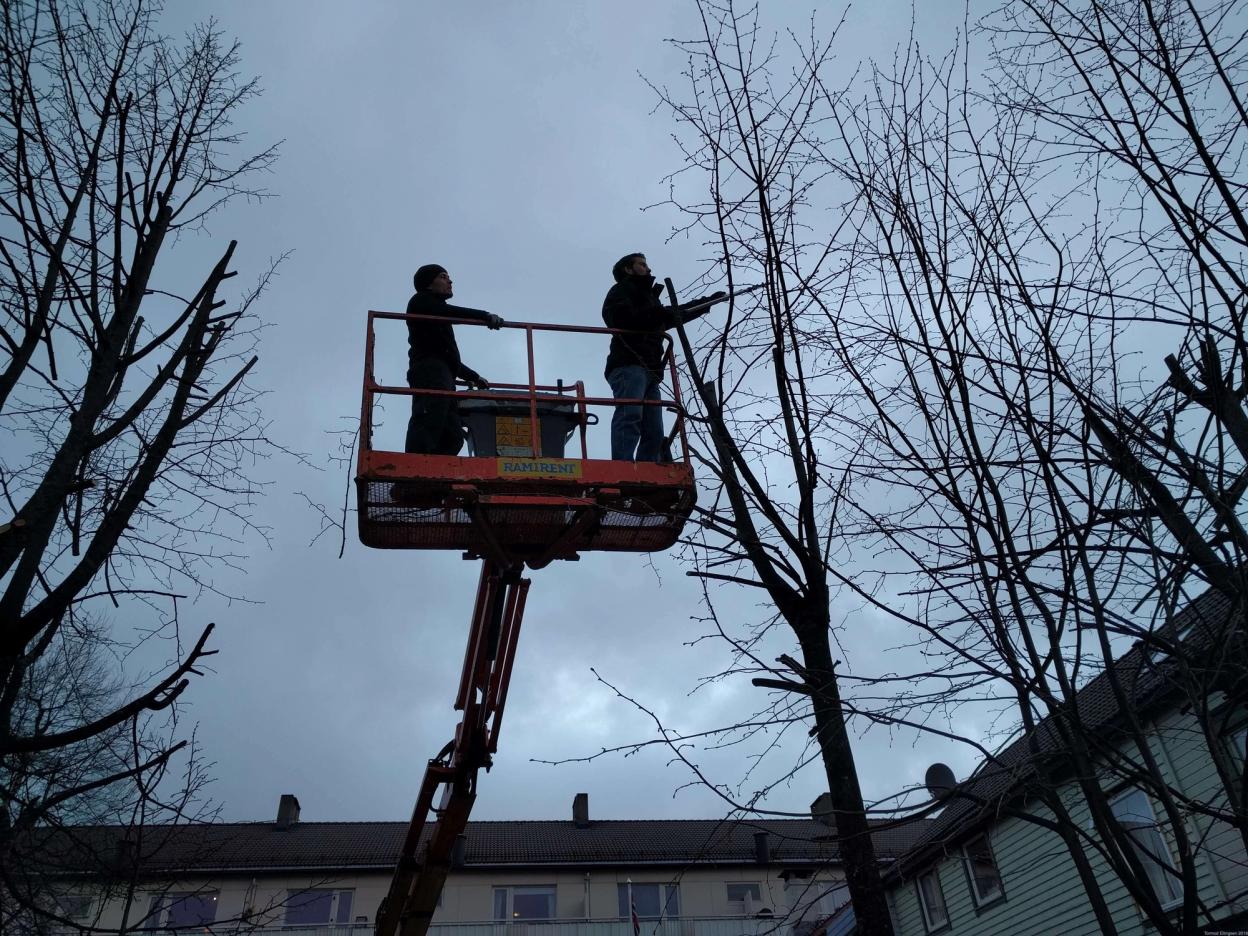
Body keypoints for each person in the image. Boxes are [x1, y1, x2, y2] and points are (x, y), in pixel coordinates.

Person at [601, 253, 724, 461]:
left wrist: (707, 303)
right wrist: (656, 315)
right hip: (628, 365)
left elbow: (671, 315)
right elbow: (620, 318)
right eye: (642, 264)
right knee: (630, 415)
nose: (648, 269)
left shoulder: (648, 298)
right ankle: (622, 468)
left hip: (651, 371)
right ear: (628, 269)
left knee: (654, 430)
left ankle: (646, 474)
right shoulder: (622, 290)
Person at [404, 264, 504, 455]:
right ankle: (414, 469)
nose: (450, 281)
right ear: (428, 283)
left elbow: (448, 357)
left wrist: (474, 377)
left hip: (444, 375)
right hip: (429, 372)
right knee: (429, 420)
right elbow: (450, 313)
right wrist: (484, 316)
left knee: (453, 434)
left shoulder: (438, 314)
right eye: (443, 277)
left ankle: (439, 474)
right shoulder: (420, 302)